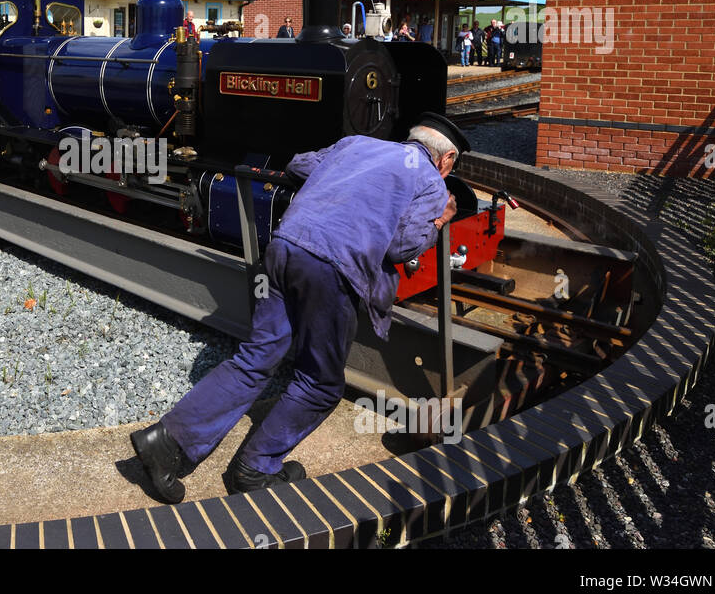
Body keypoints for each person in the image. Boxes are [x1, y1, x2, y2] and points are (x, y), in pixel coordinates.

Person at [130, 114, 468, 501]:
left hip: (286, 245)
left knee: (256, 357)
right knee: (320, 383)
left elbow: (298, 164)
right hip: (331, 268)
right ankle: (255, 469)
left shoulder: (358, 143)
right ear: (447, 160)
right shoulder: (430, 181)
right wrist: (440, 219)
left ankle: (166, 443)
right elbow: (401, 248)